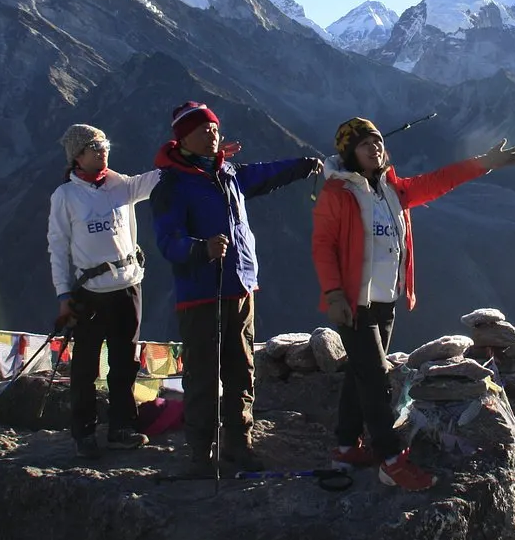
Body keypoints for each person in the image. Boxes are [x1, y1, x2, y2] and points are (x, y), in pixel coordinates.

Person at [312, 118, 515, 490]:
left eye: (377, 141)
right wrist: (333, 295)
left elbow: (438, 180)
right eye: (364, 144)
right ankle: (391, 459)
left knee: (359, 374)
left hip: (385, 301)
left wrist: (484, 162)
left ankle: (346, 447)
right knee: (376, 378)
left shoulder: (393, 189)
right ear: (349, 153)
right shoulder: (338, 193)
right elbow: (323, 245)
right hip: (354, 303)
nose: (374, 148)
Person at [151, 101, 322, 475]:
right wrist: (200, 249)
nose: (212, 134)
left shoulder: (228, 174)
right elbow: (167, 242)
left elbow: (266, 174)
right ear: (182, 139)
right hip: (202, 292)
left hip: (242, 288)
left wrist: (304, 165)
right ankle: (201, 455)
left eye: (214, 128)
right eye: (203, 130)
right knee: (203, 375)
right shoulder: (172, 186)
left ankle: (238, 444)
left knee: (241, 370)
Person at [47, 124, 160, 460]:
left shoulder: (120, 185)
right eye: (94, 146)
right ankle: (83, 431)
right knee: (85, 365)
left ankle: (121, 427)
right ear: (77, 156)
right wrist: (63, 295)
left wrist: (199, 158)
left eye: (105, 144)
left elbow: (158, 179)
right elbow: (57, 246)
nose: (103, 150)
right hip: (91, 292)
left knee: (125, 361)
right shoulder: (65, 197)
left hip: (128, 285)